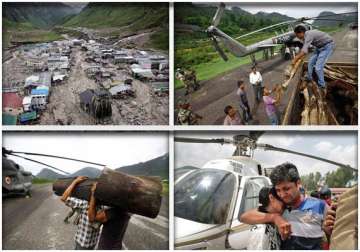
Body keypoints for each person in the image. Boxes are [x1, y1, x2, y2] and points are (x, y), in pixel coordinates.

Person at [240, 162, 332, 250]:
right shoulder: (280, 208)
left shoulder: (320, 206)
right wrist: (275, 218)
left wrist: (329, 231)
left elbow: (334, 237)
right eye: (278, 190)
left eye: (286, 189)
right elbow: (245, 217)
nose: (282, 194)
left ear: (298, 183)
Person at [61, 176, 107, 250]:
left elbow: (64, 198)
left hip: (81, 242)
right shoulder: (104, 207)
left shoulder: (85, 204)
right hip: (92, 242)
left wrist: (75, 182)